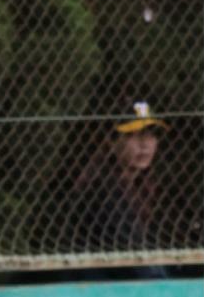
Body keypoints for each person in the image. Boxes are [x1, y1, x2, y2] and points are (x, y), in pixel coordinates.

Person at [69, 100, 172, 279]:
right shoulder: (102, 187)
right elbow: (133, 254)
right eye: (133, 134)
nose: (144, 144)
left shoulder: (144, 184)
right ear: (110, 140)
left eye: (151, 134)